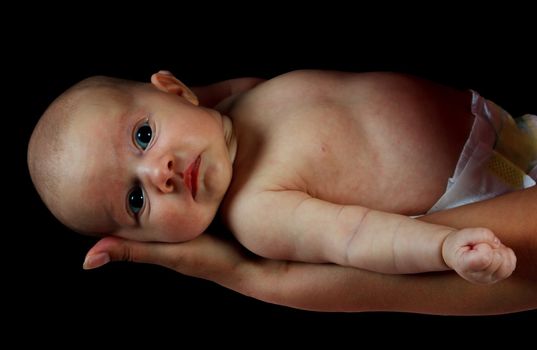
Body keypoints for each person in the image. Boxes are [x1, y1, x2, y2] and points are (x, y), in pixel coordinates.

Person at [28, 70, 535, 287]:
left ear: (176, 90)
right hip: (487, 185)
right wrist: (445, 250)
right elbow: (356, 237)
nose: (158, 171)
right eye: (135, 199)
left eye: (142, 136)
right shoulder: (257, 212)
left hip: (491, 121)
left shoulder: (237, 100)